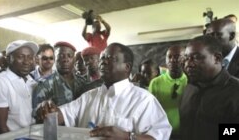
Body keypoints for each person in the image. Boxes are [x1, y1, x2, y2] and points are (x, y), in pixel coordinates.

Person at [36, 43, 172, 140]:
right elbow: (63, 114)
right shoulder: (89, 96)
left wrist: (128, 137)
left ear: (127, 67)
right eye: (102, 58)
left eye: (110, 58)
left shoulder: (144, 100)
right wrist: (49, 110)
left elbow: (160, 135)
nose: (103, 62)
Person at [180, 35, 239, 140]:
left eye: (197, 57)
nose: (188, 64)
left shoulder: (235, 92)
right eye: (187, 58)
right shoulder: (189, 88)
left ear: (217, 58)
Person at [0, 40, 38, 135]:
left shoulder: (32, 82)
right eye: (20, 57)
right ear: (8, 59)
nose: (26, 62)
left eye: (30, 57)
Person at [32, 41, 86, 122]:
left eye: (69, 56)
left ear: (74, 59)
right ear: (54, 59)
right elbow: (38, 117)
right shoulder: (44, 86)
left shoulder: (83, 82)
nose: (65, 60)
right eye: (61, 56)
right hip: (59, 132)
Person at [149, 46, 187, 139]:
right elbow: (151, 111)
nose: (172, 60)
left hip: (186, 133)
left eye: (177, 56)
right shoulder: (155, 83)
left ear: (185, 59)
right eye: (169, 57)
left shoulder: (190, 81)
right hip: (162, 134)